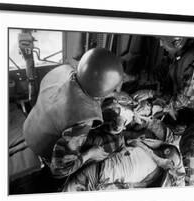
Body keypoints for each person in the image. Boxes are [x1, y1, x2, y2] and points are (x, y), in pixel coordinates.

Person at [23, 48, 124, 189]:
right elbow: (59, 170)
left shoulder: (62, 70)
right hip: (45, 149)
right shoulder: (82, 122)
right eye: (112, 89)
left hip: (31, 127)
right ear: (102, 92)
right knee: (116, 141)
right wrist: (90, 154)